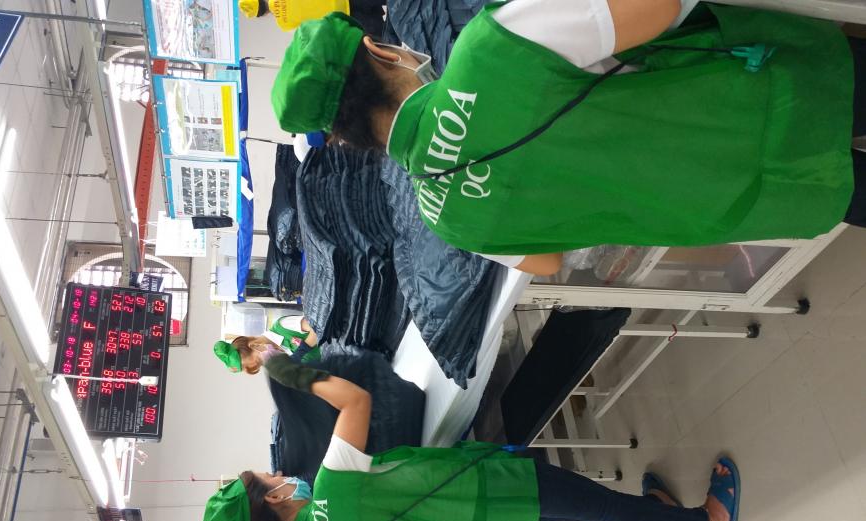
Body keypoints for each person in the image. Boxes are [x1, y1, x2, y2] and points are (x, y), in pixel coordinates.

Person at [269, 4, 860, 274]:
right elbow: (659, 7)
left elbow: (548, 262)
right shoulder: (489, 49)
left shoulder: (442, 215)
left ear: (345, 138)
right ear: (379, 51)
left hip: (746, 199)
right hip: (775, 101)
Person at [202, 355, 740, 521]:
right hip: (493, 491)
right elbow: (355, 401)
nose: (279, 473)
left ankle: (661, 508)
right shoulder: (331, 484)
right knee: (604, 508)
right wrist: (280, 366)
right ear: (275, 497)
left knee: (584, 506)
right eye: (270, 477)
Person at [213, 314, 319, 375]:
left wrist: (301, 351)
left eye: (260, 359)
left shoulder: (283, 327)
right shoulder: (283, 360)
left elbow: (317, 324)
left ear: (254, 345)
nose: (267, 362)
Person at [238, 0, 385, 37]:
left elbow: (313, 30)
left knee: (387, 31)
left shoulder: (284, 24)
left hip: (346, 19)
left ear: (262, 15)